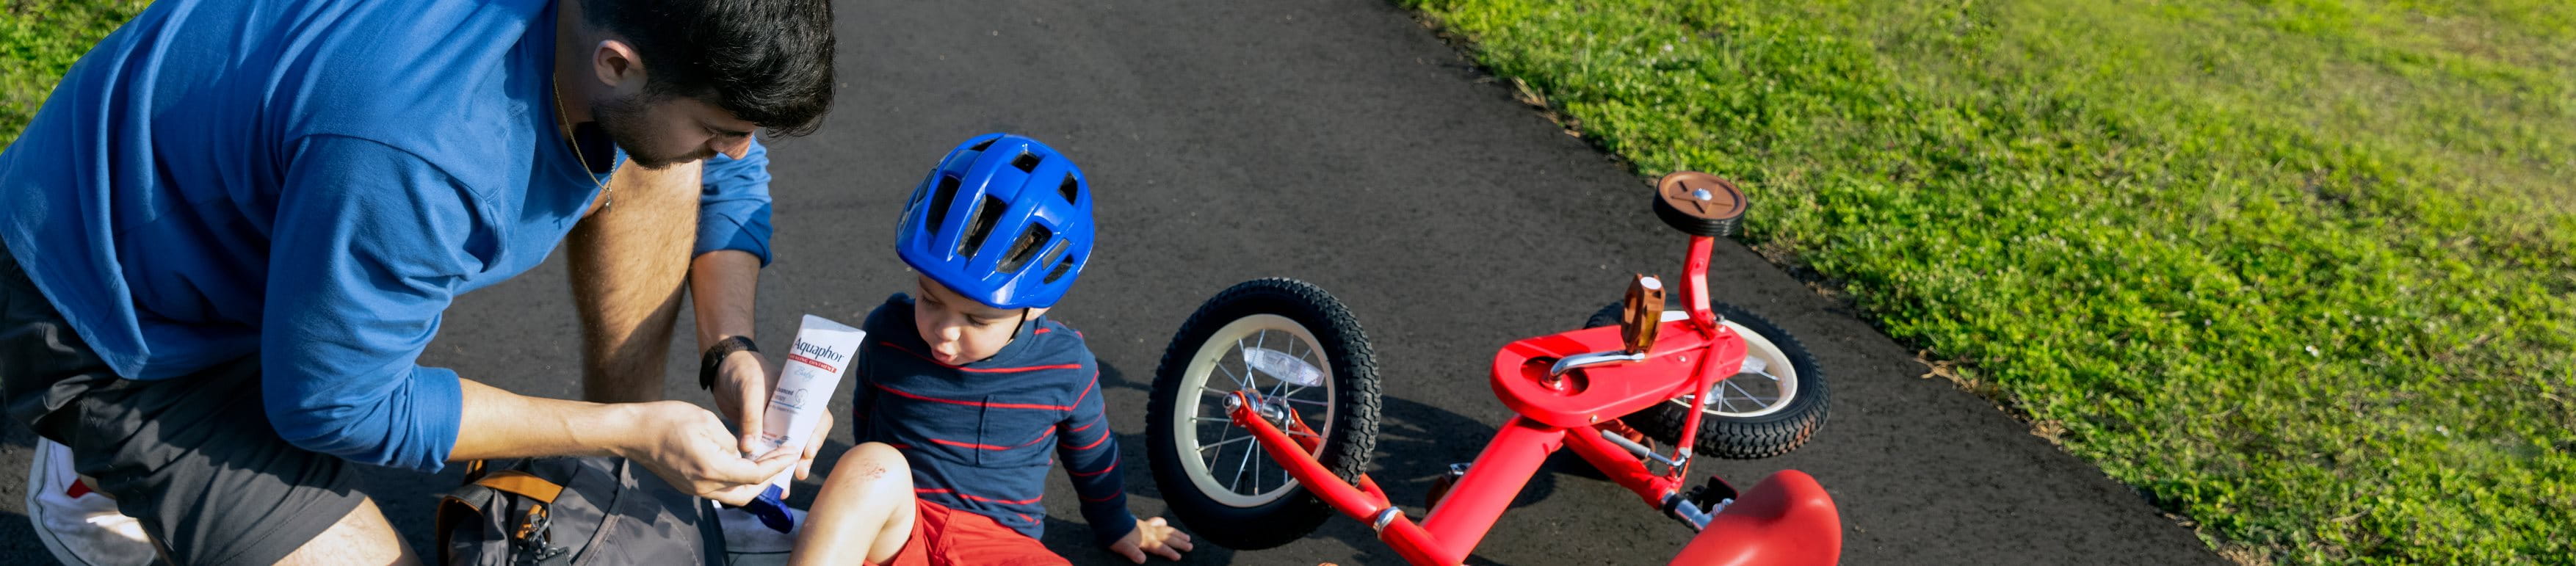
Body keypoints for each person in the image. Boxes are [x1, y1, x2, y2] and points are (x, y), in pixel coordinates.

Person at [0, 0, 836, 563]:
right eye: (722, 127)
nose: (737, 148)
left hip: (252, 202)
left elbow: (723, 163)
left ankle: (631, 489)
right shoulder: (422, 149)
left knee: (661, 157)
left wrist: (730, 349)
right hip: (114, 320)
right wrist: (624, 429)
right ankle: (93, 461)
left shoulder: (628, 32)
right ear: (616, 63)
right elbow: (334, 405)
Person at [781, 134, 1194, 565]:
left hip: (1000, 547)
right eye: (930, 300)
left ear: (1036, 305)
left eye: (977, 320)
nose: (945, 331)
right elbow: (867, 422)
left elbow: (1093, 459)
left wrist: (1118, 526)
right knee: (870, 461)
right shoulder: (888, 332)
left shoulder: (1065, 367)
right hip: (901, 530)